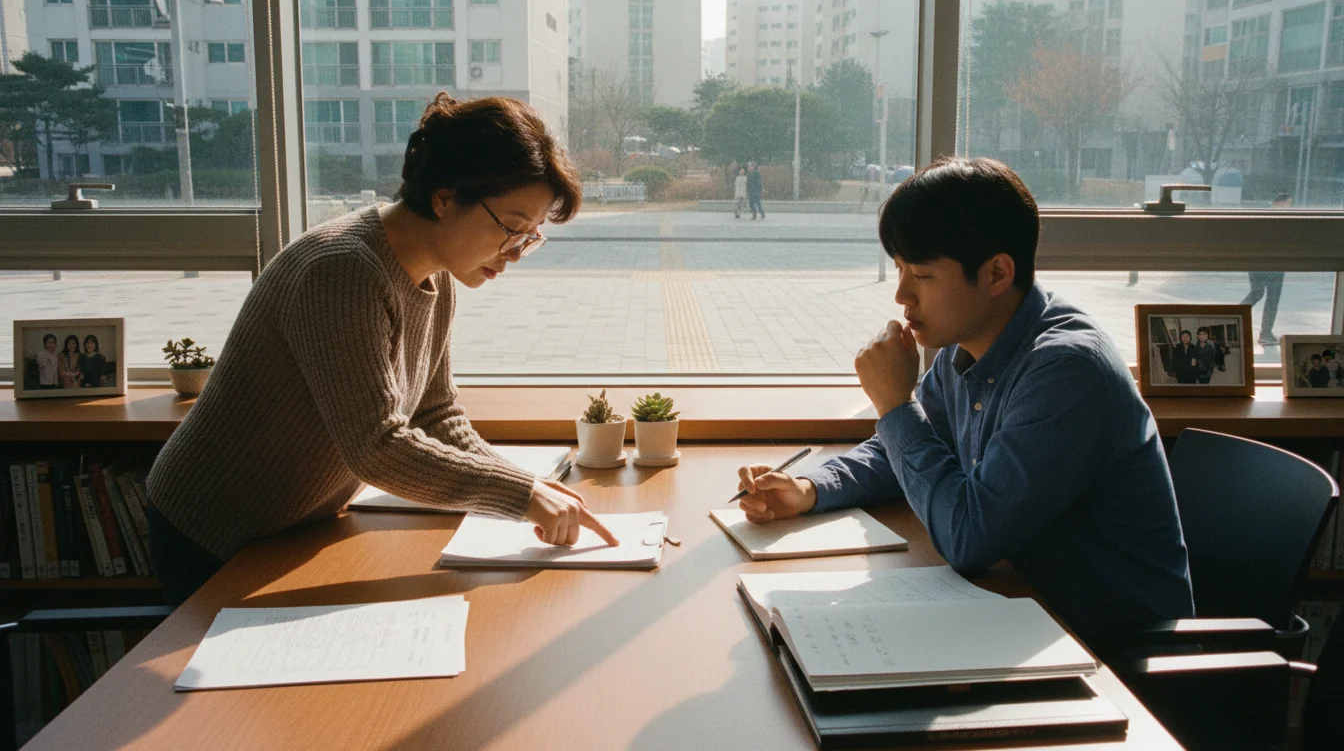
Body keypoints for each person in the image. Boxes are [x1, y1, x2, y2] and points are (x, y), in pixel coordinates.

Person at [146, 93, 619, 605]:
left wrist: (526, 487)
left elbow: (437, 414)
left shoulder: (436, 278)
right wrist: (521, 496)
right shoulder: (343, 270)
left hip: (295, 527)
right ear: (445, 198)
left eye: (530, 237)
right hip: (213, 535)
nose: (516, 253)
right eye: (511, 228)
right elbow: (377, 445)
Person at [734, 157, 1192, 652]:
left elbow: (969, 540)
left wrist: (893, 405)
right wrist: (810, 488)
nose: (901, 295)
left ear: (996, 273)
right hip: (1023, 617)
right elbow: (908, 448)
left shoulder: (1067, 370)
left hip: (1111, 654)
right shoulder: (966, 343)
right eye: (900, 270)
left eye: (922, 275)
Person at [1240, 193, 1290, 347]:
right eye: (1288, 203)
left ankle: (1234, 317)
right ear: (1280, 203)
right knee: (1272, 298)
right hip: (1273, 264)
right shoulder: (1279, 219)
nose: (1289, 206)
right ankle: (1265, 333)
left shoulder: (1261, 214)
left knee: (1257, 293)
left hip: (1256, 263)